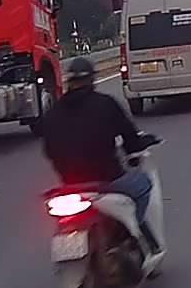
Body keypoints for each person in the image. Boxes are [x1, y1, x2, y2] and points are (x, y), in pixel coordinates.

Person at [41, 57, 159, 251]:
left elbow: (49, 150)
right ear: (91, 80)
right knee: (143, 185)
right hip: (107, 180)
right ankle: (134, 237)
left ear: (69, 81)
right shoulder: (105, 104)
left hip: (70, 185)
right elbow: (130, 139)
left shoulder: (53, 113)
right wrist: (138, 147)